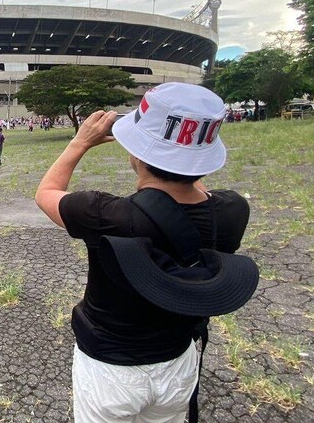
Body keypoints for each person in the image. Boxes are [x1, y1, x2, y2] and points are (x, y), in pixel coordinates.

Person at [35, 83, 253, 423]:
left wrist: (80, 142)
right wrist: (185, 151)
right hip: (178, 362)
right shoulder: (232, 211)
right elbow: (195, 190)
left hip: (110, 370)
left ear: (137, 152)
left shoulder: (103, 214)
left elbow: (46, 192)